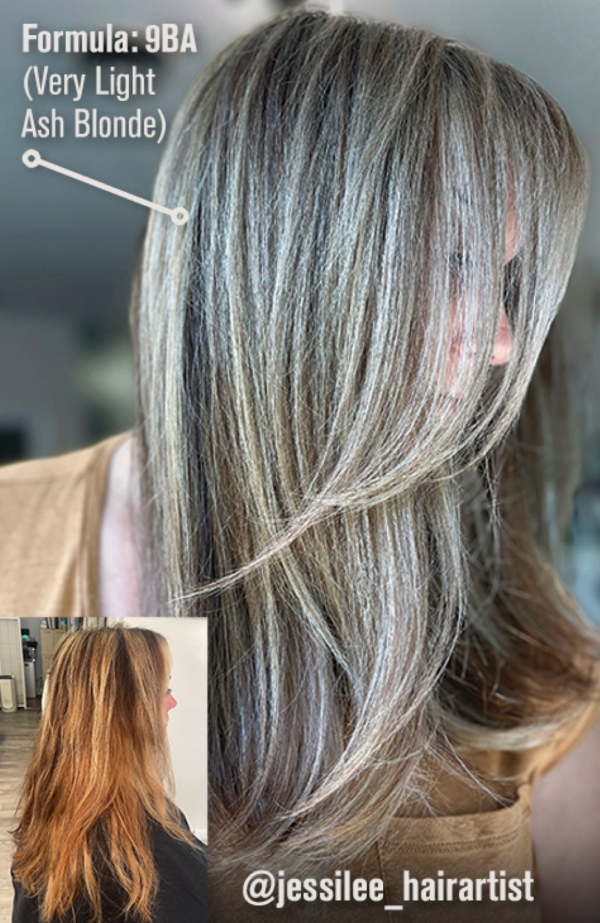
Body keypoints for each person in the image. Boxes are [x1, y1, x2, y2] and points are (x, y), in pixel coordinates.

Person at [1, 6, 599, 921]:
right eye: (454, 258)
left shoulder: (527, 666)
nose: (500, 342)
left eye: (503, 278)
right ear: (283, 269)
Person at [11, 626, 207, 923]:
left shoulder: (45, 810)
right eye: (164, 689)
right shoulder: (159, 857)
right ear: (127, 711)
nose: (172, 702)